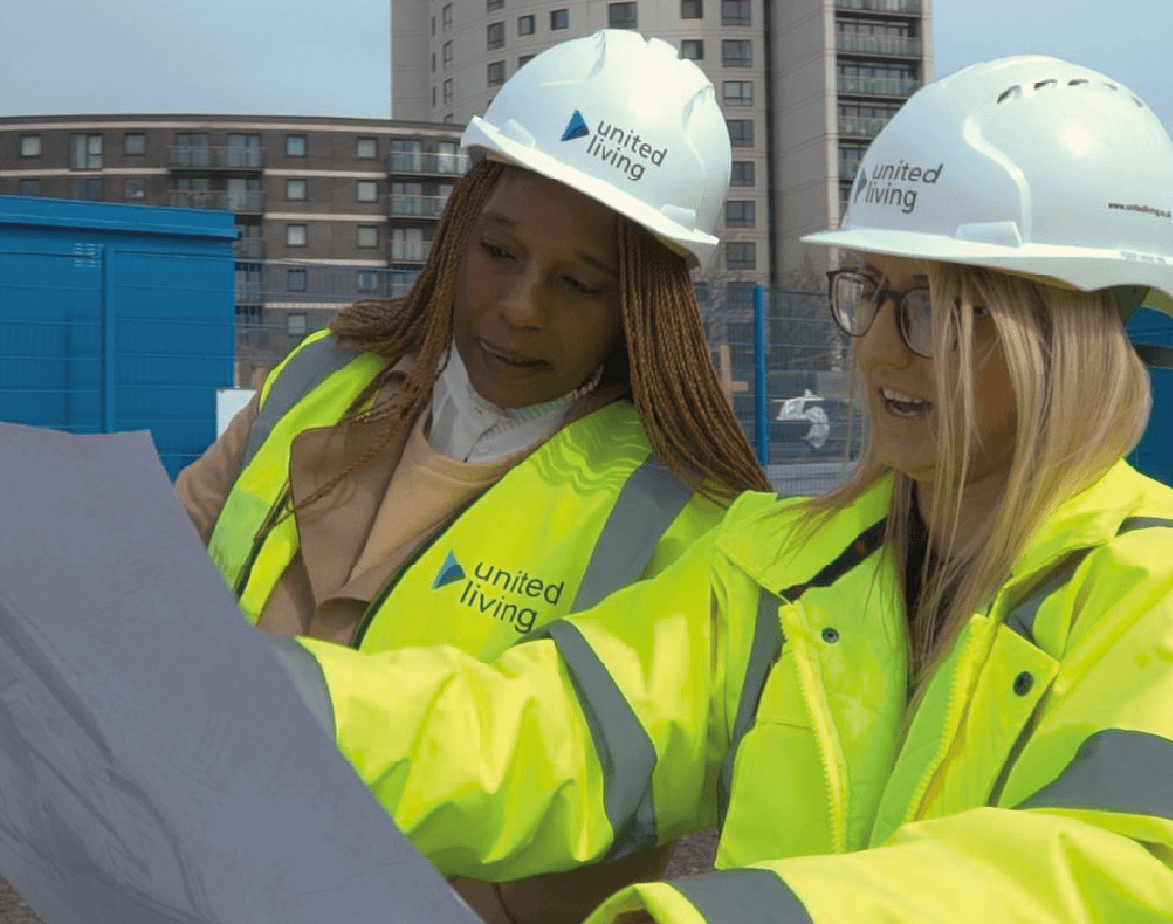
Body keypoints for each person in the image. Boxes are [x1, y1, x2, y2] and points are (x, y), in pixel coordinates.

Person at [271, 56, 1173, 923]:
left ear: (1071, 338)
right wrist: (265, 706)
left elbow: (1112, 882)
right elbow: (544, 728)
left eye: (938, 309)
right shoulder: (782, 568)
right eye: (872, 293)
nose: (880, 352)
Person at [174, 29, 769, 924]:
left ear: (643, 307)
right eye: (499, 252)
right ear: (458, 229)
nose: (520, 308)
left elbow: (584, 839)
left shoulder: (685, 520)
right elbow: (153, 588)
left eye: (578, 283)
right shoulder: (316, 380)